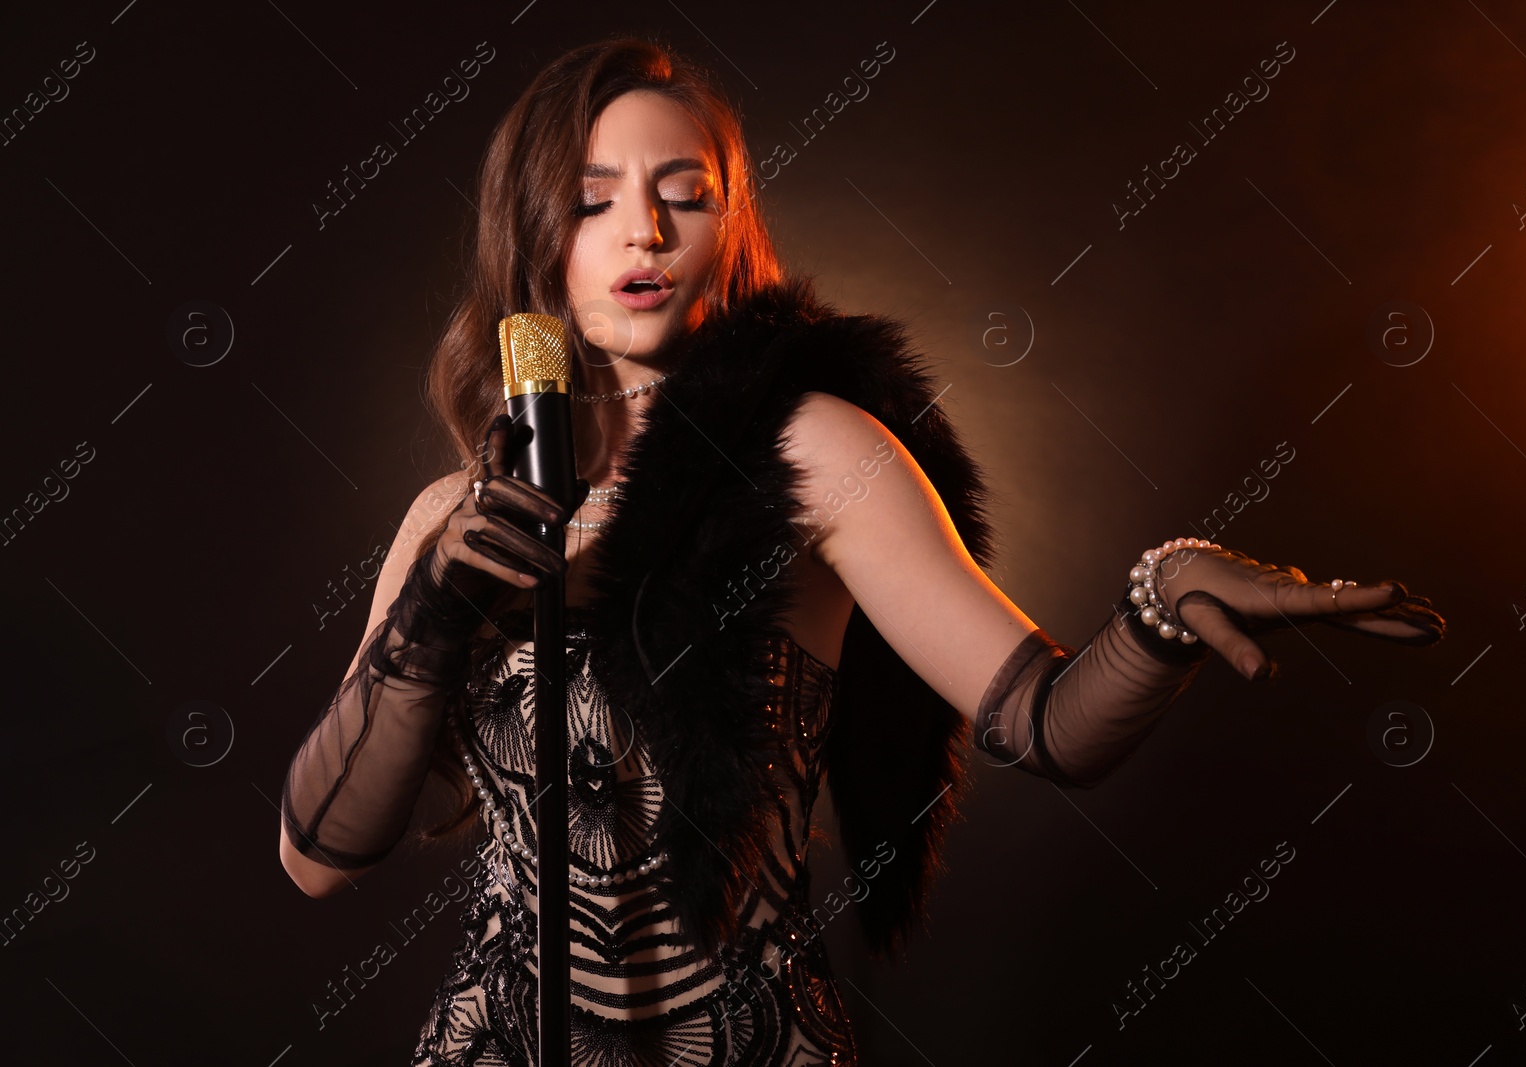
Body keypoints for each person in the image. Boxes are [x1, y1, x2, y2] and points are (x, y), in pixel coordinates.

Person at [277, 35, 1447, 1066]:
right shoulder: (453, 514)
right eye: (593, 201)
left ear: (726, 226)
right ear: (534, 236)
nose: (644, 228)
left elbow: (1040, 717)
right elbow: (317, 859)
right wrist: (429, 622)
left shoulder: (813, 450)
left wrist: (1159, 602)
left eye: (684, 193)